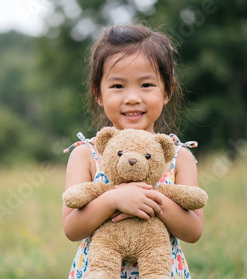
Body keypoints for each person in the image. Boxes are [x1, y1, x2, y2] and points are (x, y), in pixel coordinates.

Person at [62, 24, 204, 279]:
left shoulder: (178, 156)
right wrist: (114, 199)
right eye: (118, 86)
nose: (132, 98)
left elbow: (193, 231)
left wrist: (151, 200)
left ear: (167, 91)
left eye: (146, 84)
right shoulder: (86, 155)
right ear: (98, 94)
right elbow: (72, 228)